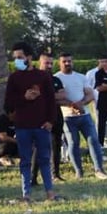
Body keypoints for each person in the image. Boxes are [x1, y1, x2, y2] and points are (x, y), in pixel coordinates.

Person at [4, 41, 60, 202]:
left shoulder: (43, 76)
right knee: (25, 160)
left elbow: (51, 100)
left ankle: (50, 192)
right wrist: (24, 98)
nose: (17, 60)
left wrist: (51, 121)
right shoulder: (14, 78)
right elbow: (8, 103)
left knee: (44, 159)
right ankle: (25, 194)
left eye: (20, 57)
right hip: (22, 126)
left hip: (42, 125)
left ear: (29, 57)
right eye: (15, 58)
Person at [55, 53, 107, 180]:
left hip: (85, 115)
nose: (67, 63)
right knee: (73, 144)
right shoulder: (56, 78)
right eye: (64, 61)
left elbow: (90, 94)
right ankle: (78, 171)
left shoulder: (81, 77)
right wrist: (72, 105)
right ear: (60, 63)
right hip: (68, 117)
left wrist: (81, 104)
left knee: (94, 141)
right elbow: (56, 99)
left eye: (69, 61)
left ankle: (99, 169)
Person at [36, 53, 66, 181]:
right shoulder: (35, 79)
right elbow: (35, 96)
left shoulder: (56, 80)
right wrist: (51, 96)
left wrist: (46, 96)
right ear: (40, 63)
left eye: (50, 63)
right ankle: (33, 176)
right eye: (46, 63)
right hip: (40, 116)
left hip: (56, 115)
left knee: (56, 144)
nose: (49, 66)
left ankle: (56, 174)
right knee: (39, 146)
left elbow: (62, 96)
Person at [88, 55, 107, 149]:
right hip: (102, 101)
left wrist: (105, 85)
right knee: (101, 123)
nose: (103, 64)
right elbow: (99, 88)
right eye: (101, 62)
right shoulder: (98, 73)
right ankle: (100, 144)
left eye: (105, 61)